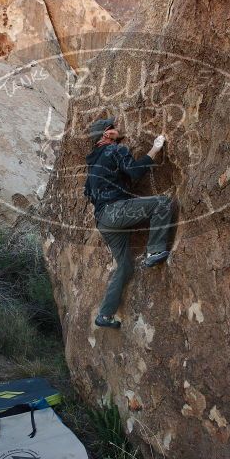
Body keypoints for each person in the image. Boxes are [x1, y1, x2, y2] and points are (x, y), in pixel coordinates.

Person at [84, 117, 175, 329]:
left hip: (103, 221)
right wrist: (155, 149)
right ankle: (155, 251)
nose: (118, 129)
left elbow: (88, 192)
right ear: (107, 134)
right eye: (114, 128)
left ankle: (105, 315)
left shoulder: (93, 161)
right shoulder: (115, 149)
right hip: (115, 211)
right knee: (162, 203)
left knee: (124, 266)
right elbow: (134, 171)